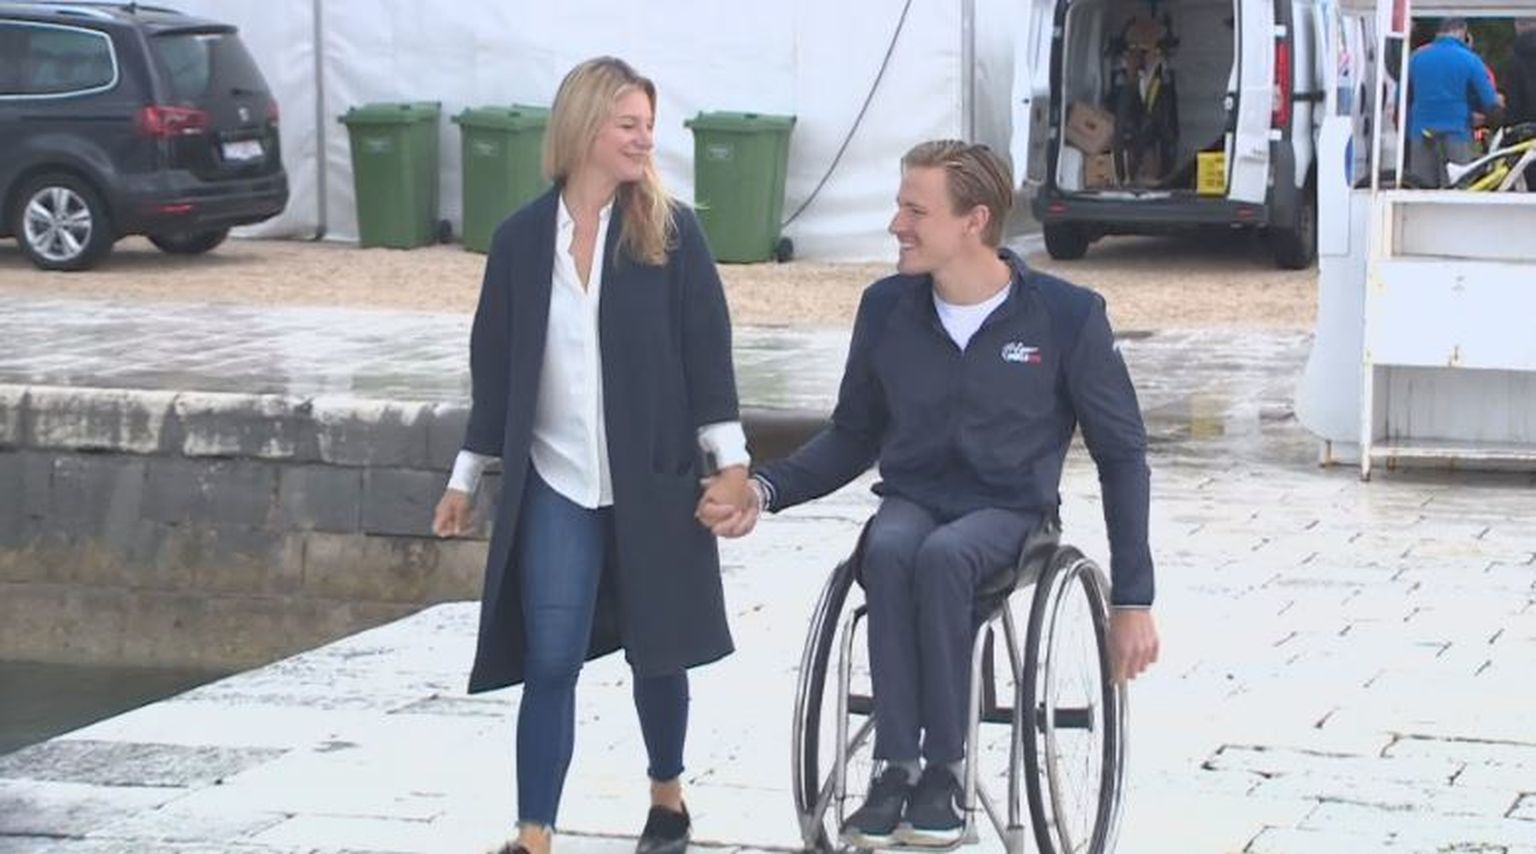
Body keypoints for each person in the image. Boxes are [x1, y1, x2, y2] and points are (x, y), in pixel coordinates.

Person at [697, 141, 1159, 847]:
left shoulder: (1067, 317)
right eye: (899, 207)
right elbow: (854, 434)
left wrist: (1133, 600)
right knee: (888, 547)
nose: (897, 225)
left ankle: (944, 768)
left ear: (974, 221)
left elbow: (1122, 456)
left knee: (944, 558)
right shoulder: (887, 308)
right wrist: (765, 487)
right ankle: (894, 767)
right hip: (914, 499)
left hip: (1011, 511)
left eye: (916, 211)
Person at [432, 56, 755, 854]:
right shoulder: (518, 242)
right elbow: (495, 370)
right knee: (551, 658)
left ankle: (667, 797)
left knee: (658, 648)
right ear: (583, 129)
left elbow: (708, 357)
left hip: (652, 479)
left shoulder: (672, 235)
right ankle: (533, 835)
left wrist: (731, 465)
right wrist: (464, 480)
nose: (645, 139)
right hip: (556, 483)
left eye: (649, 125)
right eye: (628, 125)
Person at [1406, 18, 1502, 187]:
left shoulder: (1416, 58)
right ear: (1463, 32)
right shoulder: (1470, 59)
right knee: (1457, 188)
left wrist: (1409, 129)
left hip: (1421, 133)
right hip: (1457, 133)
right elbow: (1490, 101)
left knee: (1420, 189)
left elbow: (1402, 99)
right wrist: (1484, 119)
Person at [1500, 18, 1536, 188]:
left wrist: (1508, 131)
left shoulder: (1515, 58)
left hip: (1524, 131)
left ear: (1517, 26)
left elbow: (1513, 98)